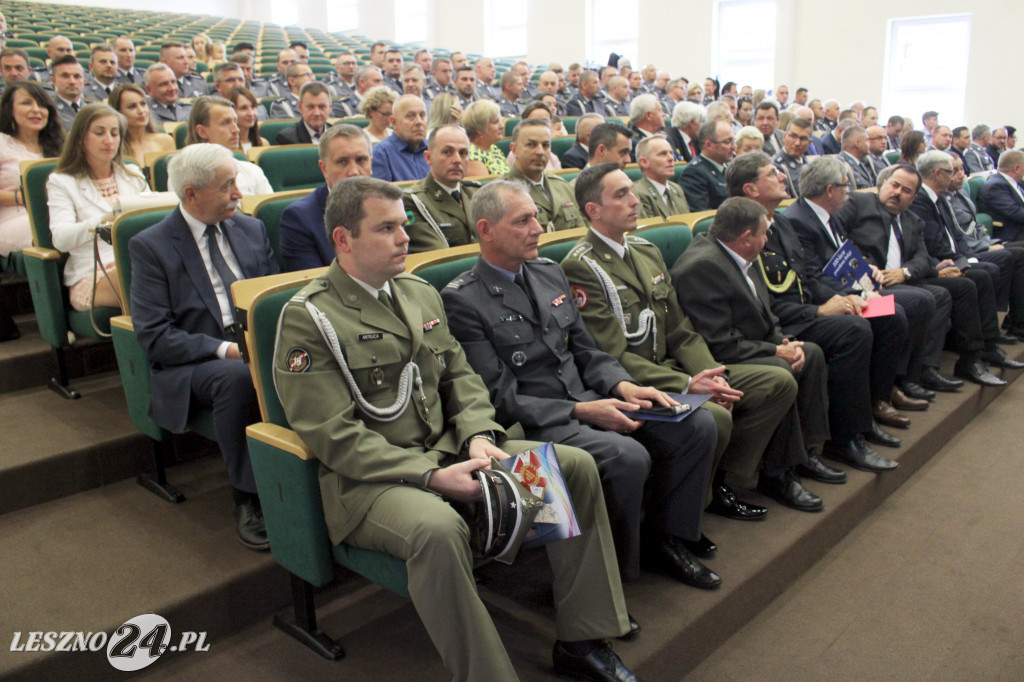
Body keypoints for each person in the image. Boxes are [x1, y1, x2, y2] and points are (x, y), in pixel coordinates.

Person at [274, 175, 640, 681]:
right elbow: (332, 434)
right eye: (386, 228)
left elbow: (461, 377)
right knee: (439, 527)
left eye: (404, 225)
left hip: (454, 449)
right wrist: (429, 476)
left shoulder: (418, 293)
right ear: (344, 239)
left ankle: (582, 638)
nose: (405, 237)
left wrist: (478, 435)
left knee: (572, 467)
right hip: (372, 481)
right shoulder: (310, 317)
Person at [442, 179, 721, 588]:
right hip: (542, 420)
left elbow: (587, 351)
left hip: (592, 399)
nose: (538, 228)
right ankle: (621, 571)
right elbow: (498, 396)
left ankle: (666, 539)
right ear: (486, 230)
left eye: (537, 216)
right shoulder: (464, 299)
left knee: (696, 425)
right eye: (523, 220)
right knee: (627, 457)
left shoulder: (548, 272)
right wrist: (582, 410)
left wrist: (623, 387)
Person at [563, 163, 826, 524]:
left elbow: (681, 331)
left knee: (777, 381)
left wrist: (709, 374)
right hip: (636, 383)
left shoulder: (645, 250)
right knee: (715, 414)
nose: (634, 200)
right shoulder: (581, 266)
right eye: (621, 194)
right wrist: (688, 384)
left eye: (632, 190)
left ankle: (723, 479)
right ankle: (688, 510)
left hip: (674, 367)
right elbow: (613, 355)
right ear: (594, 210)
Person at [130, 143, 279, 551]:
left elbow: (272, 299)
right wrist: (226, 350)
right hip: (195, 360)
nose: (238, 193)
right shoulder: (152, 246)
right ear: (191, 194)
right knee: (238, 376)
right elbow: (155, 337)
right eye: (227, 185)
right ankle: (248, 496)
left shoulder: (251, 228)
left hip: (251, 344)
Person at [728, 152, 907, 465]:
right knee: (854, 330)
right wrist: (820, 311)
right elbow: (764, 302)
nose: (784, 176)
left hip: (805, 309)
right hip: (785, 323)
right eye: (773, 173)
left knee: (886, 311)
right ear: (751, 190)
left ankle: (868, 414)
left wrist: (846, 299)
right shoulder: (742, 233)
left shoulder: (780, 224)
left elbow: (808, 277)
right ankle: (845, 437)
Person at [787, 157, 948, 405]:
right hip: (835, 296)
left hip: (855, 286)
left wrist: (865, 269)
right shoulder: (799, 220)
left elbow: (843, 256)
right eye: (845, 186)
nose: (849, 192)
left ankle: (889, 389)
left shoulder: (828, 215)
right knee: (895, 311)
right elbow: (812, 277)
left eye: (907, 190)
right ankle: (880, 396)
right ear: (830, 190)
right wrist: (858, 294)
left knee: (915, 303)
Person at [834, 165, 1007, 388]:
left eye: (906, 190)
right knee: (931, 297)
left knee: (964, 286)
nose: (897, 193)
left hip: (903, 279)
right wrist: (866, 265)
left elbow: (922, 258)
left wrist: (904, 272)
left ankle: (965, 360)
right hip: (869, 282)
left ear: (914, 197)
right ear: (883, 183)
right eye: (894, 185)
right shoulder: (859, 203)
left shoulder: (913, 220)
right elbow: (839, 239)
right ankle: (908, 376)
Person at [48, 103, 149, 312]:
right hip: (92, 273)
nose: (109, 141)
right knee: (144, 282)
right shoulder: (62, 181)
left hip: (139, 262)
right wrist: (103, 221)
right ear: (80, 137)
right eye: (99, 133)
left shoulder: (133, 174)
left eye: (114, 133)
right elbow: (61, 238)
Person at [279, 125, 372, 271]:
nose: (354, 171)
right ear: (324, 169)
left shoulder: (390, 207)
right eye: (342, 162)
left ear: (371, 163)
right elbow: (316, 285)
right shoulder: (299, 218)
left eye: (361, 160)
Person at [0, 82, 65, 257]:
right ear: (9, 110)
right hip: (14, 220)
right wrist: (26, 197)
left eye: (42, 105)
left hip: (57, 212)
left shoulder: (60, 147)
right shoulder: (2, 143)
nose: (36, 110)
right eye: (26, 103)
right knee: (54, 226)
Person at [402, 125, 481, 252]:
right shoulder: (413, 201)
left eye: (463, 153)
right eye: (447, 152)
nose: (457, 160)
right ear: (428, 158)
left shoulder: (478, 193)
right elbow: (440, 254)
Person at [502, 118, 585, 231]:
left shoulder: (563, 187)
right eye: (531, 145)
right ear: (514, 149)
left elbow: (582, 232)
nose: (540, 152)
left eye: (546, 145)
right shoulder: (501, 193)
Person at [184, 96, 272, 196]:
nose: (236, 130)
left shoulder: (253, 171)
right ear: (202, 131)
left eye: (235, 121)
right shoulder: (185, 175)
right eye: (225, 123)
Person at [109, 83, 174, 167]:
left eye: (143, 104)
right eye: (132, 107)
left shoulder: (166, 140)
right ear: (118, 113)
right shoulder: (114, 146)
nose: (141, 111)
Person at [679, 120, 735, 211]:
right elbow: (703, 215)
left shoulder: (730, 167)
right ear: (709, 145)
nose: (734, 147)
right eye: (727, 142)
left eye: (733, 141)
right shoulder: (694, 173)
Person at [371, 94, 428, 182]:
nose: (419, 121)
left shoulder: (434, 148)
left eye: (422, 115)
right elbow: (381, 194)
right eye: (410, 116)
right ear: (394, 123)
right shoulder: (382, 154)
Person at [633, 135, 689, 219]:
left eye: (671, 153)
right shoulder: (637, 193)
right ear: (644, 162)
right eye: (663, 154)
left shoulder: (676, 188)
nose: (671, 158)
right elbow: (651, 230)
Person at [463, 99, 509, 177]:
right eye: (495, 122)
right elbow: (483, 188)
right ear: (479, 129)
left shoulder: (493, 149)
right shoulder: (472, 157)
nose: (502, 126)